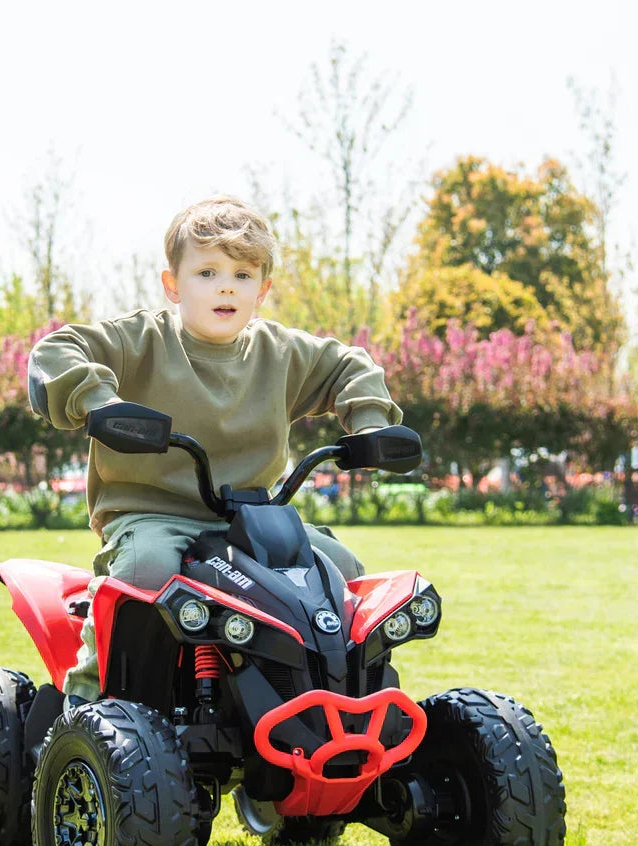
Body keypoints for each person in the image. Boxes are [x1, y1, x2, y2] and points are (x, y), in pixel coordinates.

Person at [28, 196, 402, 702]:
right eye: (207, 271)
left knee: (342, 570)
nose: (226, 286)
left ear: (262, 289)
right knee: (146, 570)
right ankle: (86, 702)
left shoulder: (281, 351)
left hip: (254, 523)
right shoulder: (142, 340)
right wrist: (100, 401)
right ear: (172, 284)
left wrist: (370, 421)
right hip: (151, 516)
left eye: (243, 275)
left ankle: (343, 709)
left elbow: (349, 366)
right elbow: (57, 351)